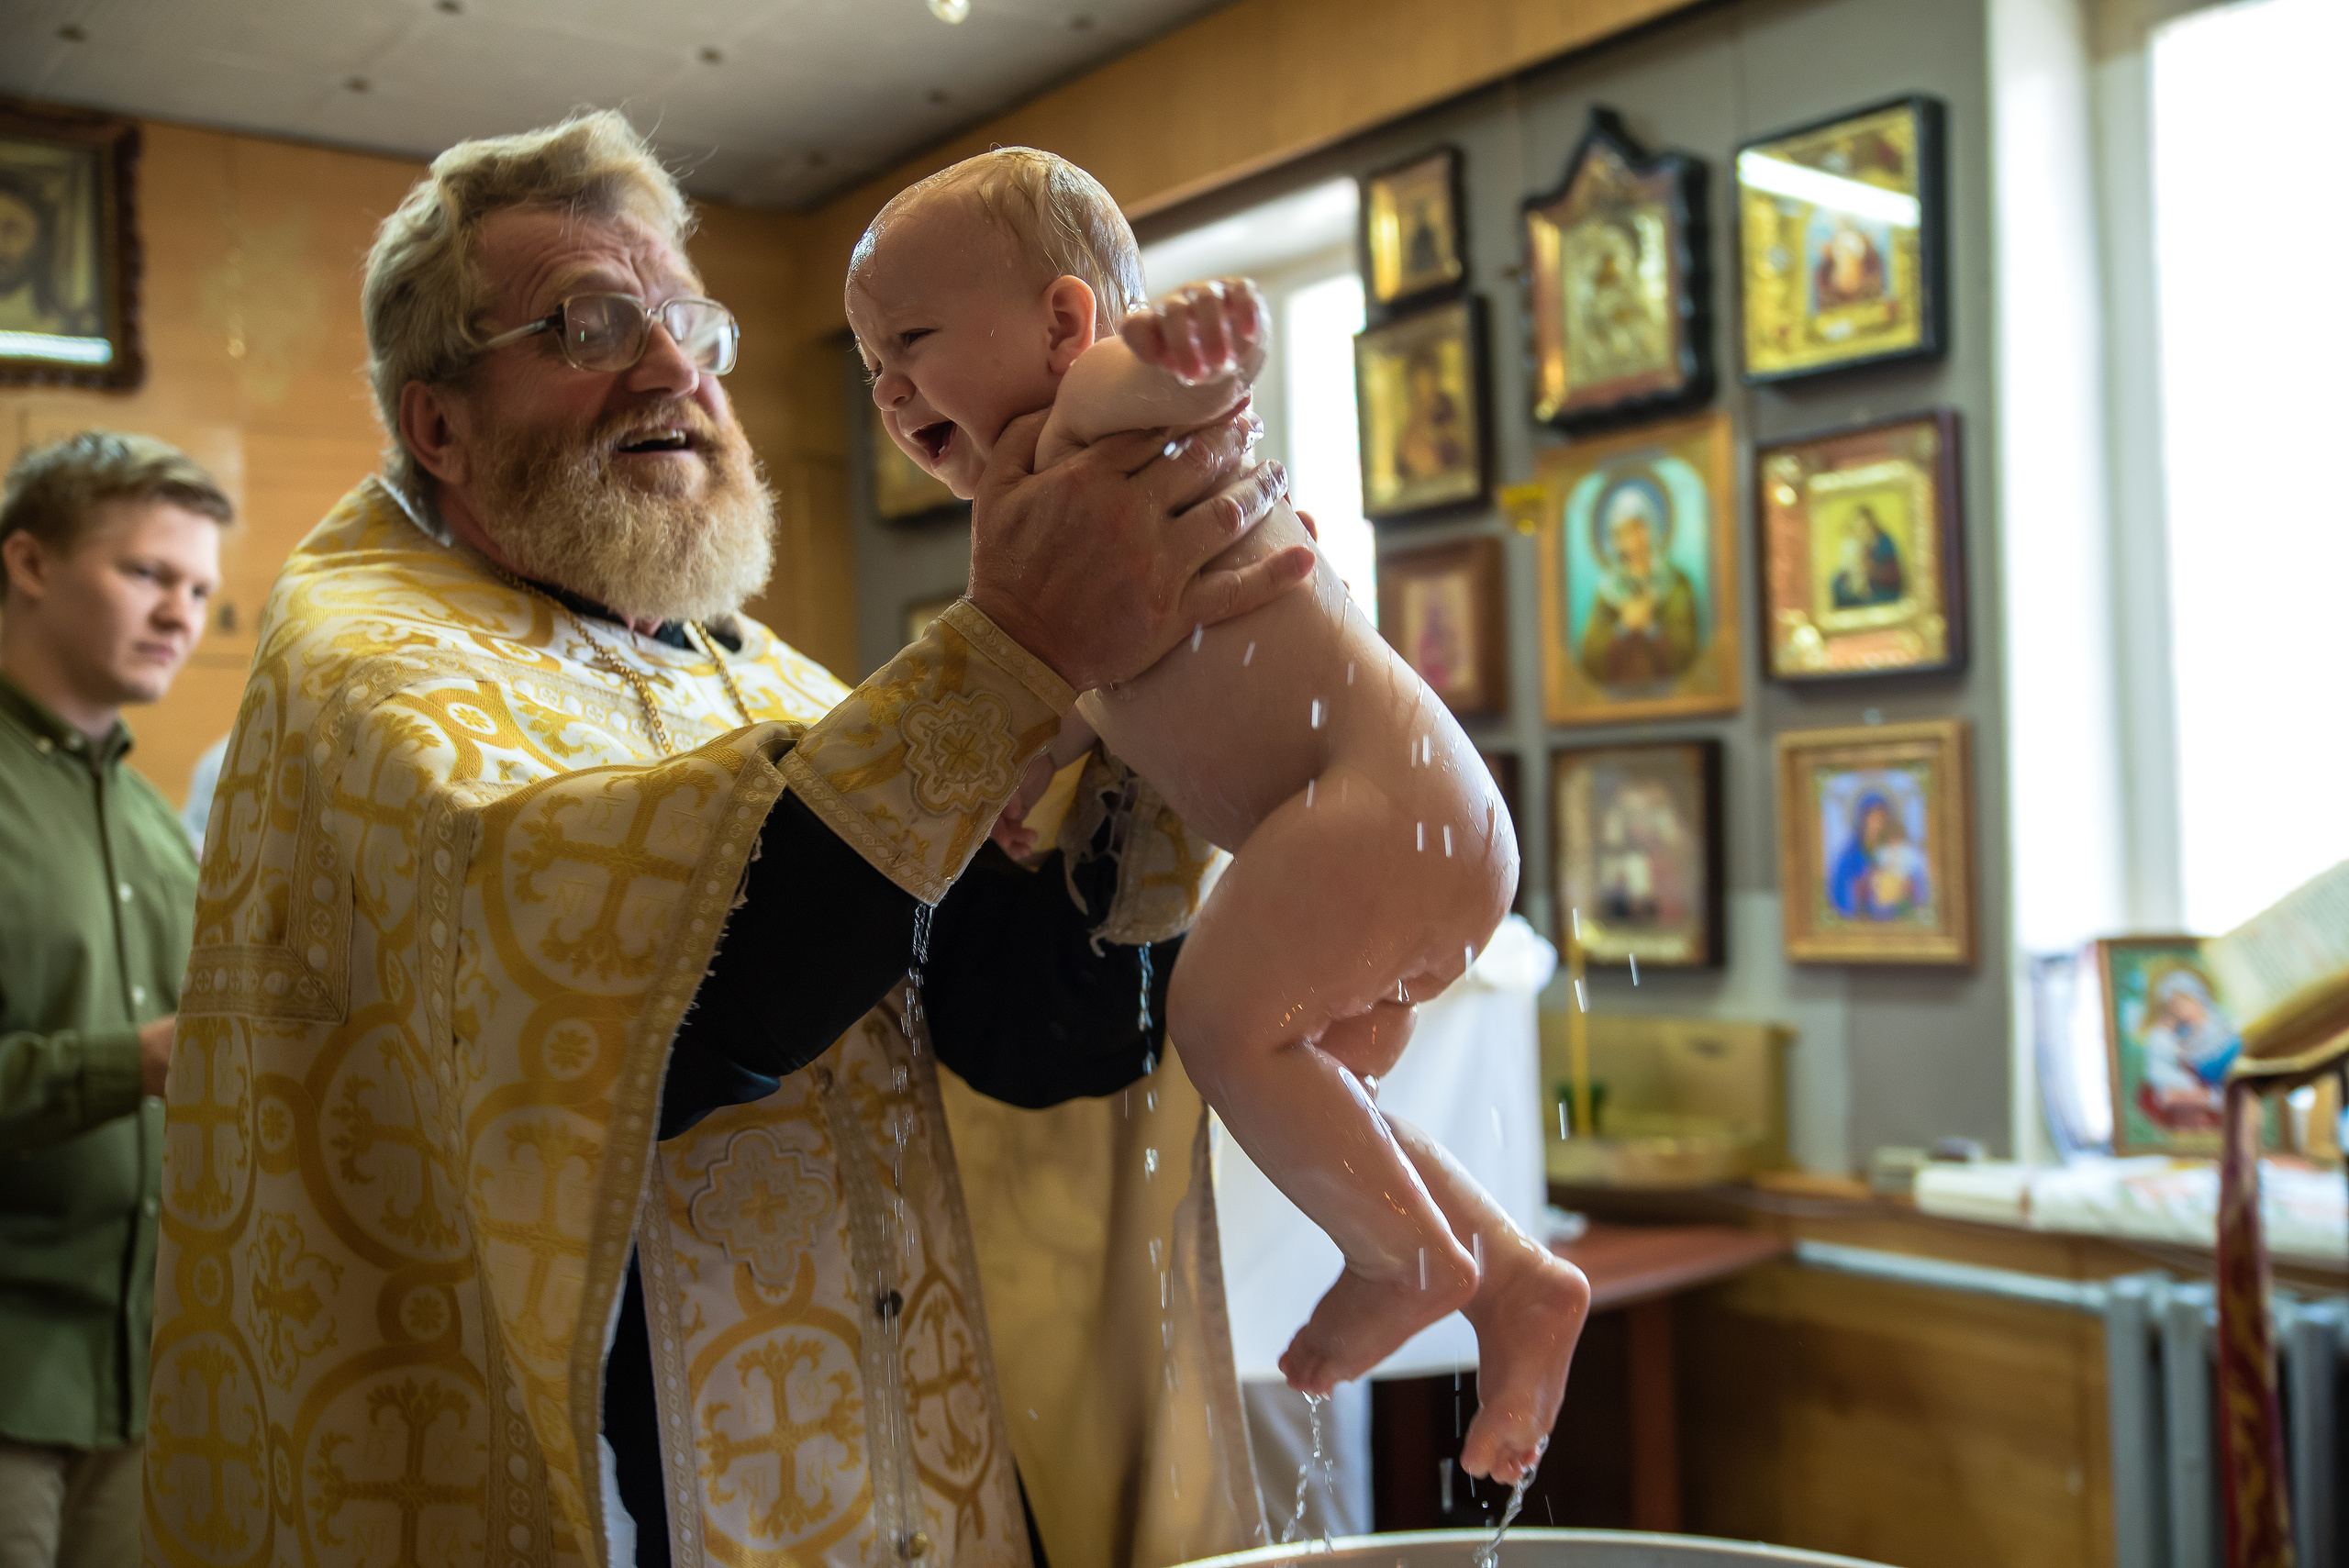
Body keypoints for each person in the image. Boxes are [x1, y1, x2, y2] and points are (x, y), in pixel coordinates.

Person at [141, 112, 1306, 1568]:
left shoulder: (766, 682)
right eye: (590, 325)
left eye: (691, 324)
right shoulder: (366, 664)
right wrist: (1016, 648)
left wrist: (1146, 710)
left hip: (901, 1485)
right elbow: (657, 1025)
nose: (674, 370)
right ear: (440, 425)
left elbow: (1030, 1044)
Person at [847, 147, 1588, 1485]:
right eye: (869, 368)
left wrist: (1193, 354)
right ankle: (1512, 1280)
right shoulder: (1049, 522)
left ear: (1064, 324)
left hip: (1383, 804)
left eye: (912, 342)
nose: (889, 390)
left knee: (1219, 1024)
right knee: (1311, 1087)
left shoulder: (1091, 416)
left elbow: (1179, 385)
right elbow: (1089, 681)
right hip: (1401, 821)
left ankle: (1409, 1259)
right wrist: (1019, 762)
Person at [0, 430, 228, 1568]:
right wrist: (132, 1061)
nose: (181, 613)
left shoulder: (154, 823)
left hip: (142, 1386)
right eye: (147, 572)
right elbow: (153, 1055)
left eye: (199, 590)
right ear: (31, 563)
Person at [1578, 484, 1698, 685]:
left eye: (1639, 528)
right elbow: (1590, 658)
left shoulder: (1676, 582)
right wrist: (1623, 626)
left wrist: (1652, 626)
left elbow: (1686, 651)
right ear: (1615, 541)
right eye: (1624, 533)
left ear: (1652, 528)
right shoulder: (1608, 590)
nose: (1634, 540)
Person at [1828, 787, 1931, 921]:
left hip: (1896, 920)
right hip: (1862, 921)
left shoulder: (1899, 850)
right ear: (1862, 820)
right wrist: (1859, 889)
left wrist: (1909, 888)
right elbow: (1840, 892)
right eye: (1872, 818)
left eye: (1881, 819)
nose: (1877, 824)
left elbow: (1918, 885)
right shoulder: (1849, 854)